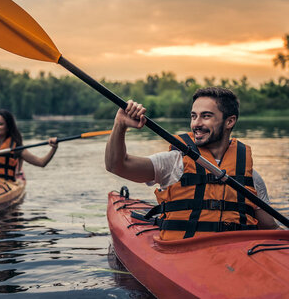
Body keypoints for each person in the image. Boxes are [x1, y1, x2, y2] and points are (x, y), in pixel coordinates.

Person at [105, 87, 280, 241]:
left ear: (230, 121)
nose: (196, 124)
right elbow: (116, 165)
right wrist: (120, 125)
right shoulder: (175, 162)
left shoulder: (250, 177)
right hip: (184, 253)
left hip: (235, 257)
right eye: (194, 116)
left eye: (206, 116)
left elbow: (271, 229)